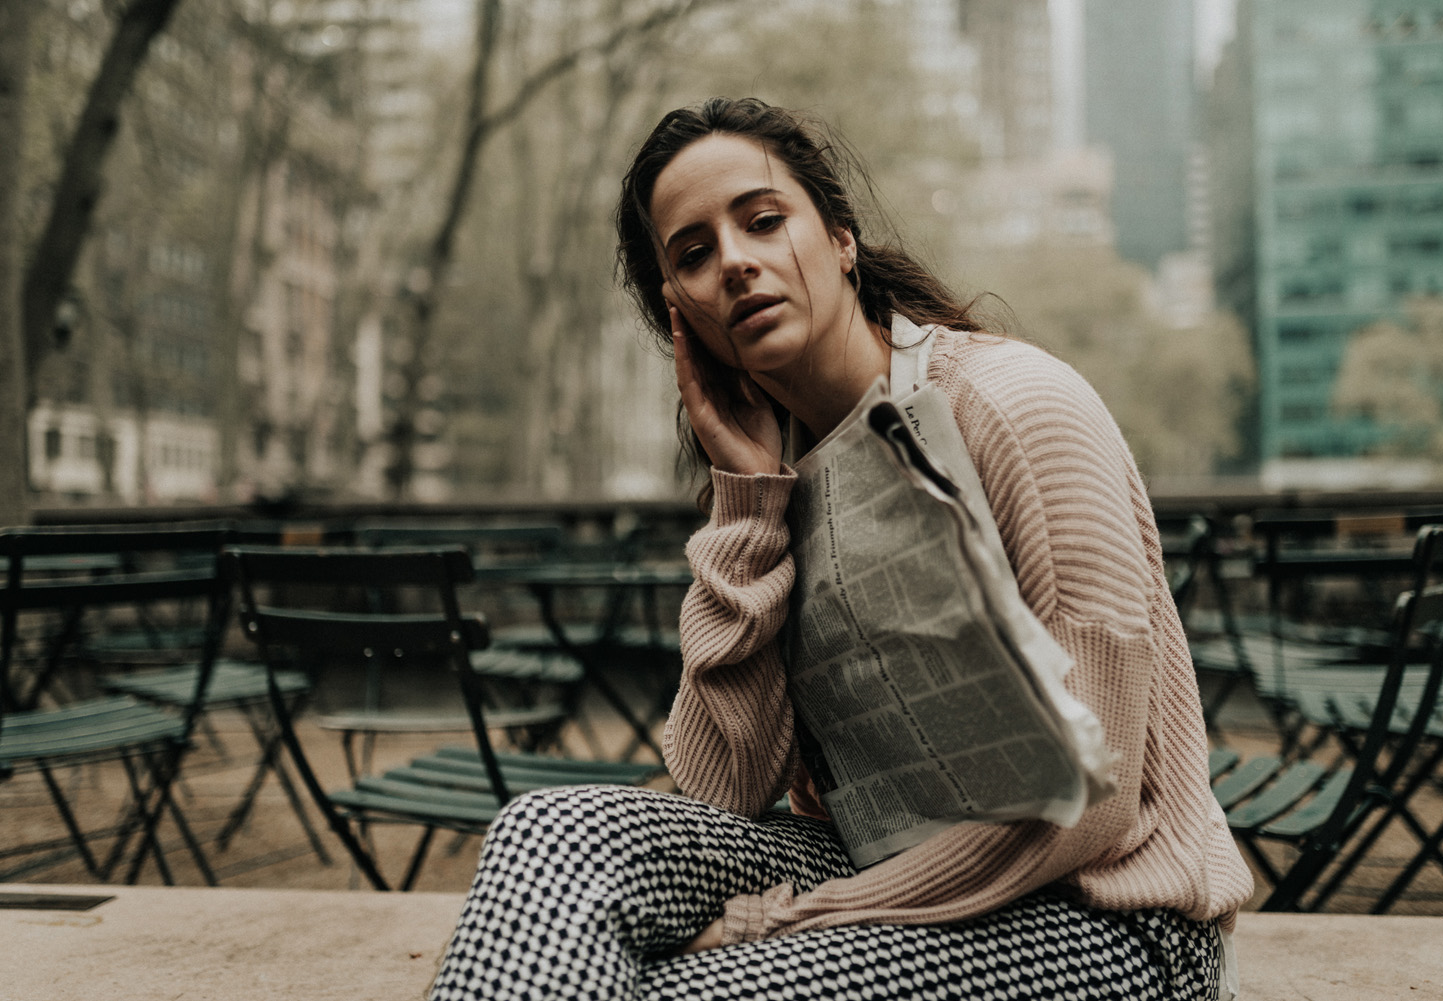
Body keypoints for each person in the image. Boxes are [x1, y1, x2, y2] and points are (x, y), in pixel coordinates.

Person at [428, 97, 1253, 1001]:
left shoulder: (1013, 409)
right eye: (694, 255)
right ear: (681, 316)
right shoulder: (778, 474)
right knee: (550, 830)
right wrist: (747, 503)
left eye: (764, 220)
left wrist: (788, 924)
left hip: (1108, 920)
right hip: (878, 856)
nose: (735, 262)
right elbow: (721, 790)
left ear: (842, 238)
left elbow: (1091, 803)